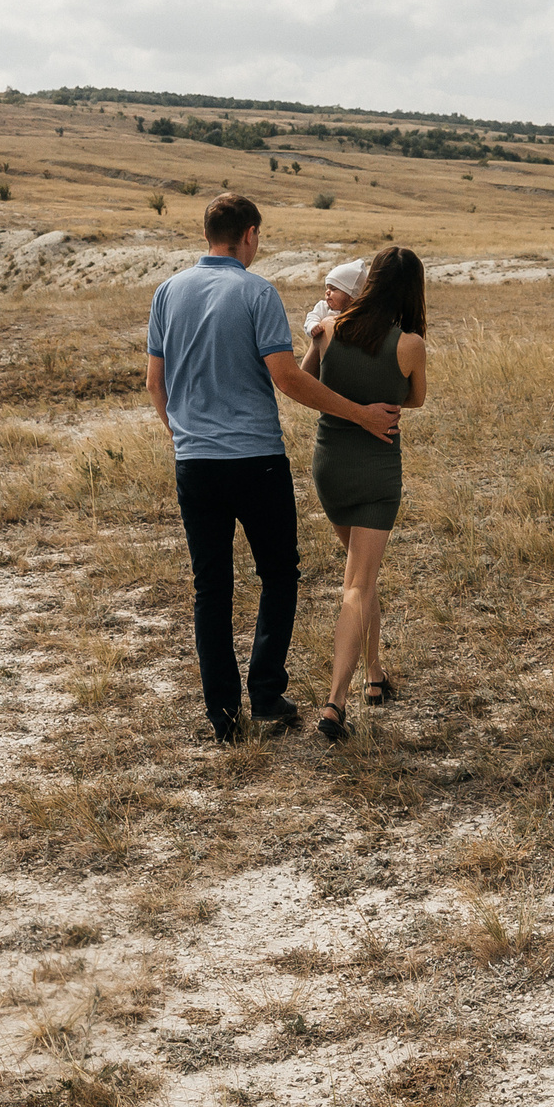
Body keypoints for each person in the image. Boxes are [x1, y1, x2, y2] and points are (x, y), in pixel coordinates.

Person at [146, 195, 401, 744]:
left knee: (210, 587)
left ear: (208, 232)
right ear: (251, 235)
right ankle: (265, 693)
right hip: (256, 460)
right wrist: (360, 414)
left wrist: (185, 435)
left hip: (195, 464)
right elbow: (287, 378)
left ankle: (221, 715)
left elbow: (154, 383)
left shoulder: (168, 292)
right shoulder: (257, 292)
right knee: (279, 574)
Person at [300, 245, 428, 744]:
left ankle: (375, 675)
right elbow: (414, 399)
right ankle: (335, 701)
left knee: (361, 573)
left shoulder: (329, 330)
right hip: (376, 473)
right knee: (357, 584)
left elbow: (305, 379)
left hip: (330, 466)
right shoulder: (410, 344)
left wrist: (317, 339)